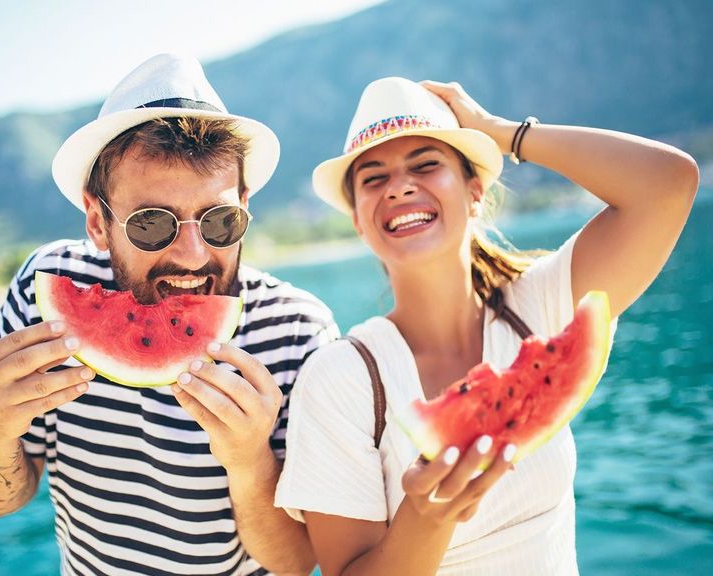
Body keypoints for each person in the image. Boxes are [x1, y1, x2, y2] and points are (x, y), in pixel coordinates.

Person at [274, 76, 698, 575]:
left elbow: (668, 183)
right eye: (373, 178)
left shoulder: (540, 306)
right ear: (358, 222)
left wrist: (501, 132)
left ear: (475, 191)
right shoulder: (341, 378)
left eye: (426, 165)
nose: (401, 186)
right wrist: (426, 519)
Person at [0, 53, 339, 576]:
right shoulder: (43, 288)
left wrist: (250, 463)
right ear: (97, 222)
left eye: (221, 221)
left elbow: (297, 562)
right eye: (152, 224)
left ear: (246, 206)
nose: (194, 256)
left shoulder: (297, 331)